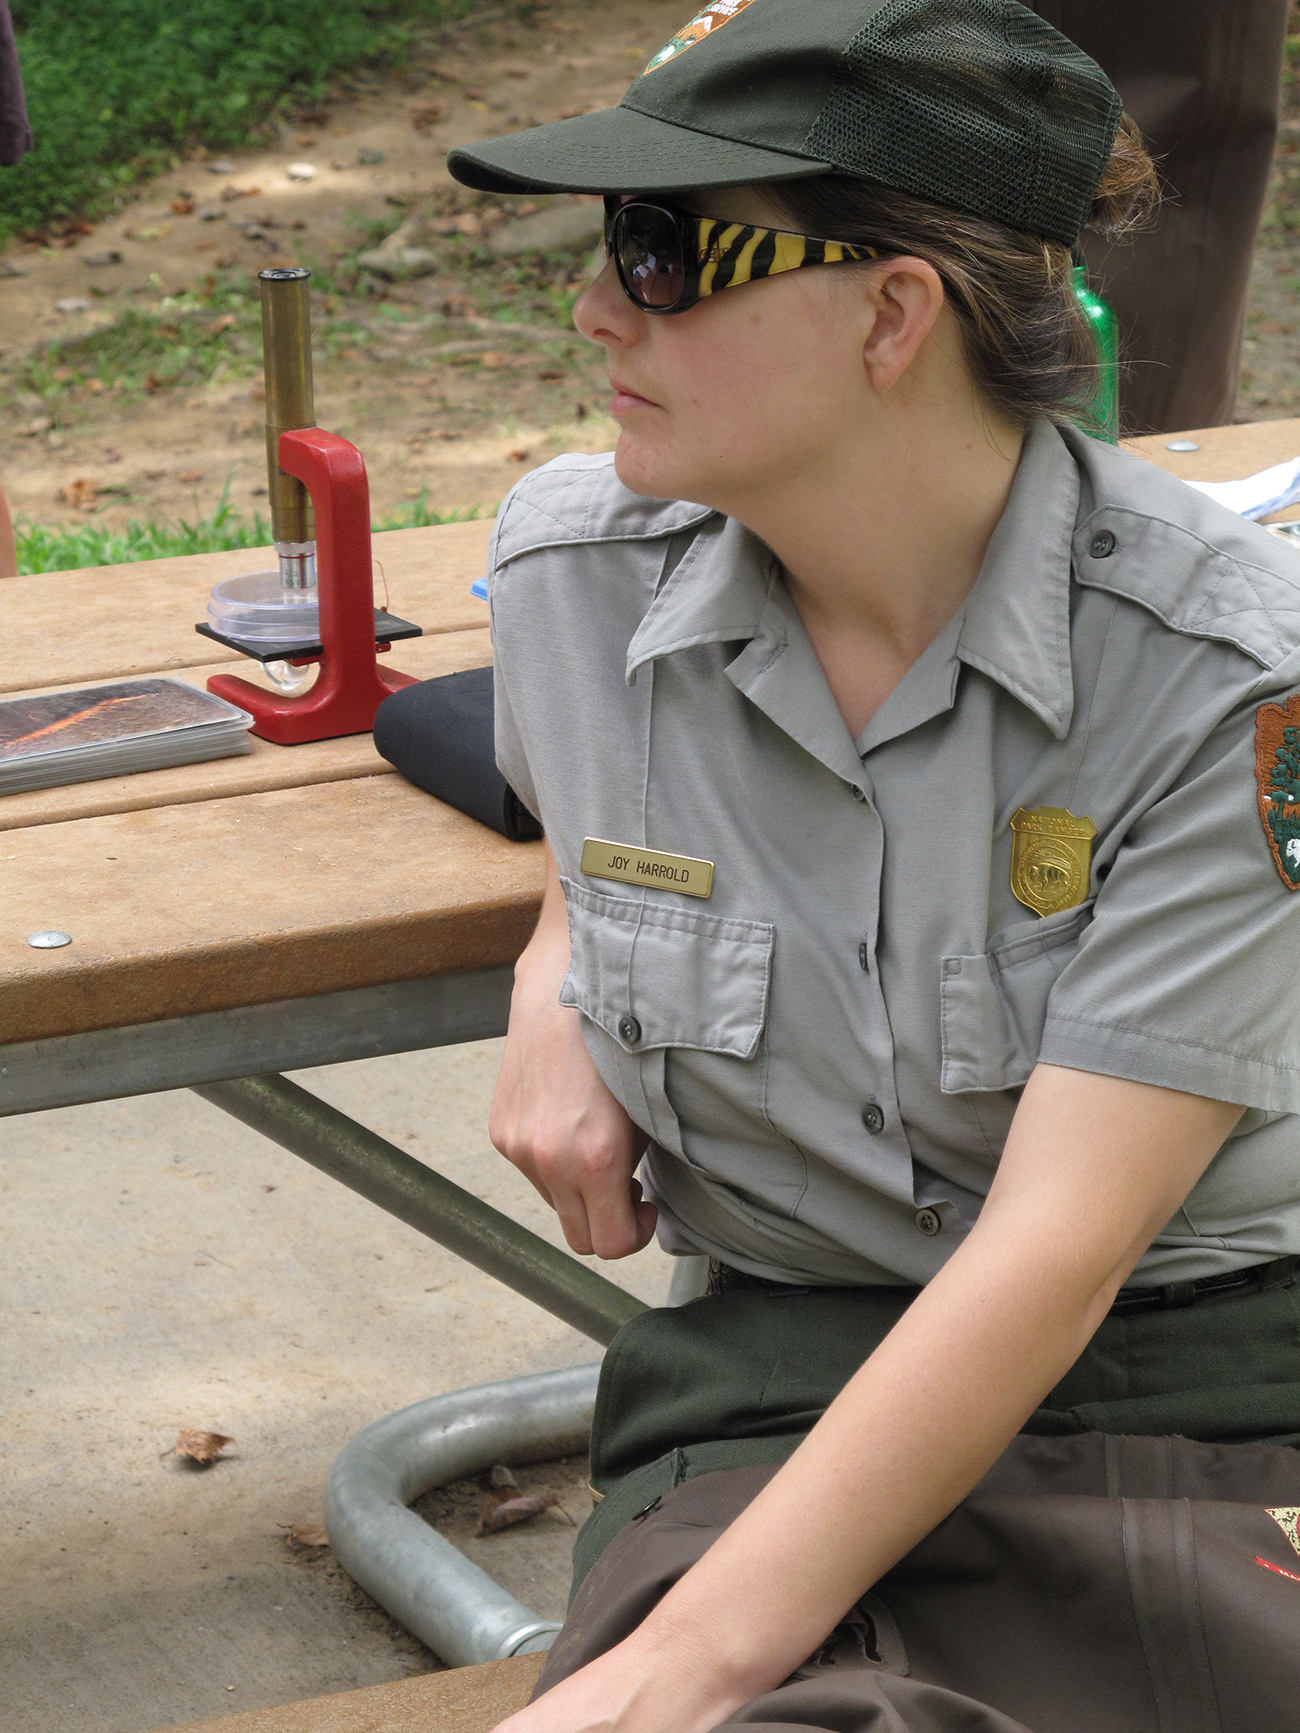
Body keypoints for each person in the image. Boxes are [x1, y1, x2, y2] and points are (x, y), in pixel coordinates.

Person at [448, 3, 1300, 1729]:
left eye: (664, 252)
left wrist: (664, 1673)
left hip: (1200, 1357)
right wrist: (555, 976)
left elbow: (1056, 1247)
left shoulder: (1231, 678)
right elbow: (607, 824)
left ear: (892, 311)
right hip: (778, 1359)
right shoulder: (570, 578)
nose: (597, 307)